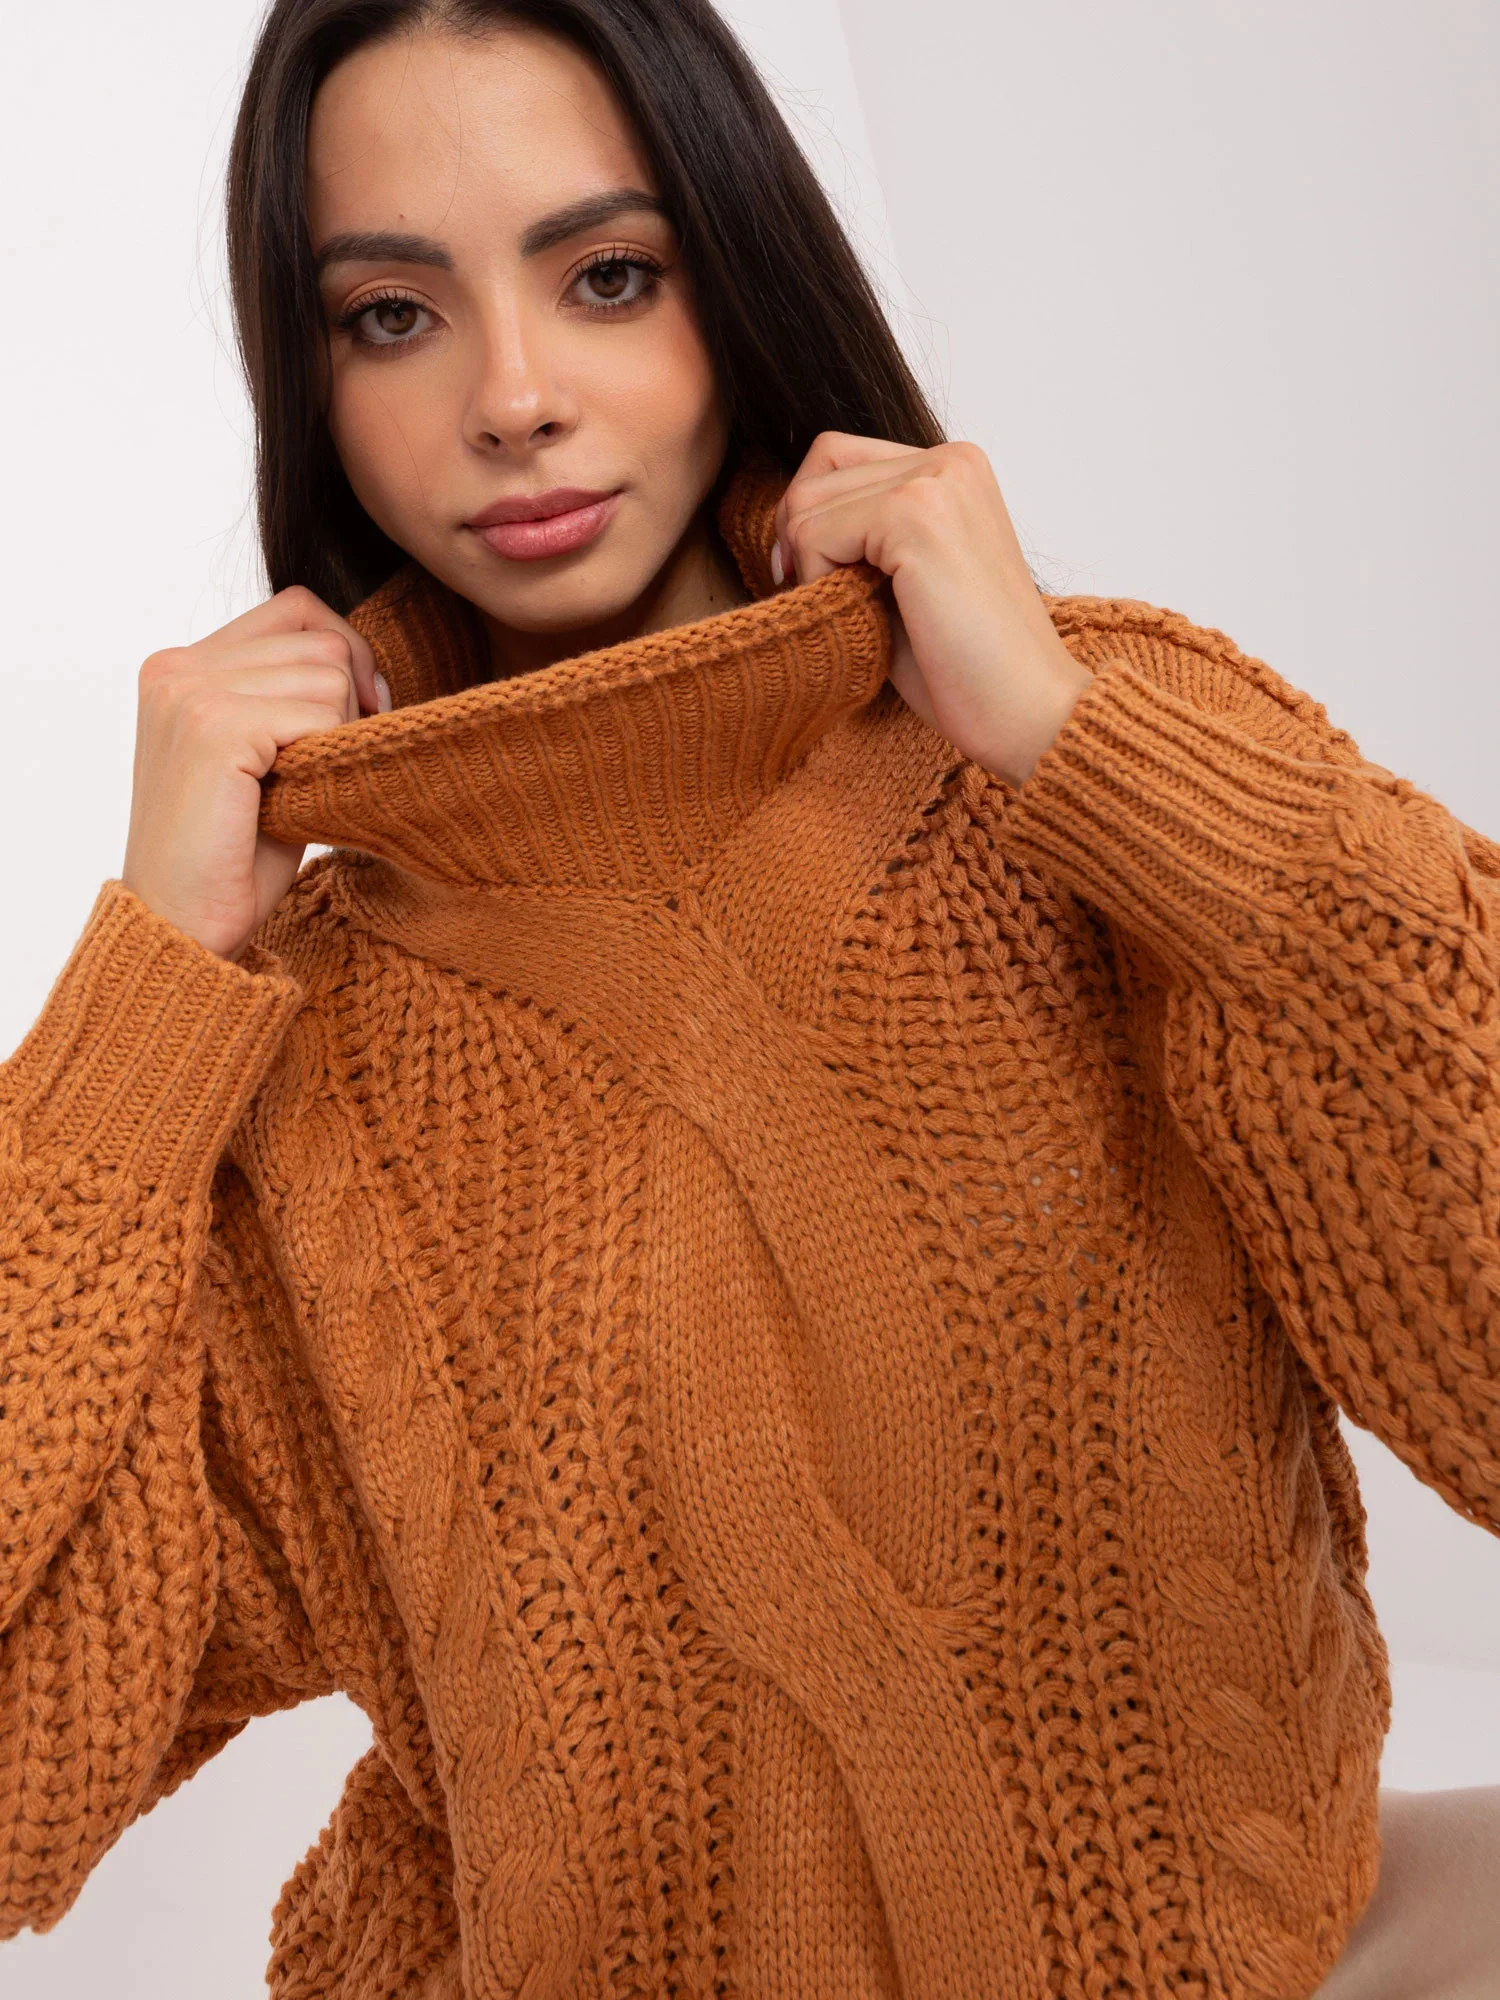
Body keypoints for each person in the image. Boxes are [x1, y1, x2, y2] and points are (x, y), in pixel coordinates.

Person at [2, 2, 1496, 1996]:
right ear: (316, 380)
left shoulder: (1096, 762)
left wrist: (1087, 752)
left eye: (608, 277)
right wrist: (142, 1003)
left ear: (736, 270)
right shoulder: (285, 1055)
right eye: (394, 314)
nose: (514, 398)